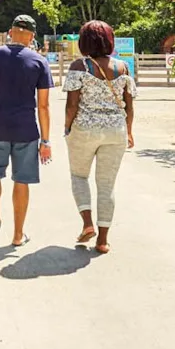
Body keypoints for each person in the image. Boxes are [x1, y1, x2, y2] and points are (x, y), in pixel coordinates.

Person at [0, 14, 53, 249]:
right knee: (21, 180)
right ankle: (17, 235)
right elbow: (43, 106)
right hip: (26, 131)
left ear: (10, 31)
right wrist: (46, 141)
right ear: (32, 36)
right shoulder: (39, 62)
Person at [62, 20, 136, 253]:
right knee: (106, 185)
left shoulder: (79, 66)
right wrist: (130, 131)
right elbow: (129, 106)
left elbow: (71, 105)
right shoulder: (123, 67)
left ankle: (87, 224)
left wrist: (67, 128)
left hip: (84, 130)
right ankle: (102, 241)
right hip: (116, 132)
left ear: (84, 42)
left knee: (79, 176)